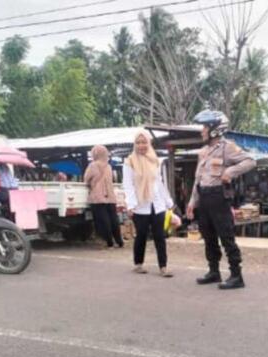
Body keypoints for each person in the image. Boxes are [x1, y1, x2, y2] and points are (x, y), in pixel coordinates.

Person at [186, 110, 256, 290]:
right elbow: (197, 179)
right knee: (208, 237)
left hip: (219, 197)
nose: (202, 131)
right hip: (204, 197)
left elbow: (250, 161)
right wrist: (192, 201)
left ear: (215, 129)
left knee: (226, 237)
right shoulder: (203, 152)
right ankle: (214, 271)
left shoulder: (228, 147)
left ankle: (236, 275)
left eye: (205, 127)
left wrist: (229, 172)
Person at [123, 129, 175, 277]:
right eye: (138, 143)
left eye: (144, 142)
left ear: (149, 143)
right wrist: (130, 204)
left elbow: (159, 183)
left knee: (160, 236)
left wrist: (168, 201)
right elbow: (128, 184)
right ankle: (138, 264)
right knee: (141, 235)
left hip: (157, 204)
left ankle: (163, 267)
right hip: (140, 205)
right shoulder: (129, 162)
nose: (141, 145)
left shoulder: (155, 160)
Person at [84, 144, 124, 249]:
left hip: (98, 197)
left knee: (103, 221)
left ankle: (109, 242)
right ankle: (119, 241)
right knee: (114, 220)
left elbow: (86, 178)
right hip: (110, 196)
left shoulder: (93, 165)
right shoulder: (109, 166)